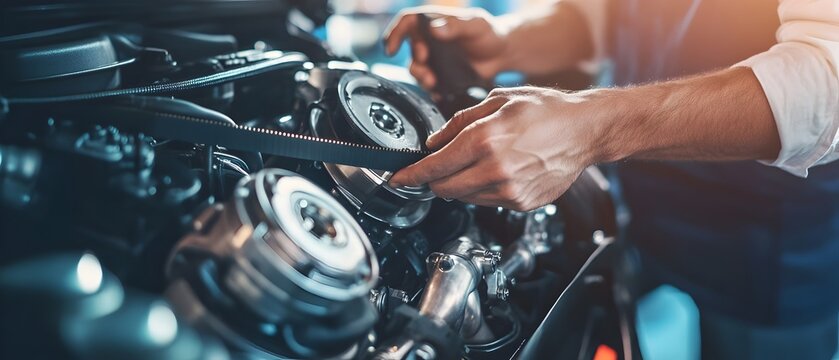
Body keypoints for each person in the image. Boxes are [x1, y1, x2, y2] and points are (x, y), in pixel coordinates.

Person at [382, 0, 839, 359]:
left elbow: (827, 83)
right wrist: (509, 41)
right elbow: (618, 12)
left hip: (772, 247)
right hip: (637, 199)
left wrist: (594, 127)